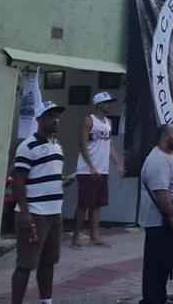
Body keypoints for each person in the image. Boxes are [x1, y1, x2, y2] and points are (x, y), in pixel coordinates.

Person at [10, 101, 67, 304]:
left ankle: (46, 300)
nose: (56, 120)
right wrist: (25, 213)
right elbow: (18, 181)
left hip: (54, 212)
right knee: (26, 264)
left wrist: (61, 183)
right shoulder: (27, 146)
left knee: (48, 262)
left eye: (57, 116)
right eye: (51, 116)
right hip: (35, 212)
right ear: (39, 120)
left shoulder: (57, 145)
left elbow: (47, 175)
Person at [139, 124, 173, 304]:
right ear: (164, 136)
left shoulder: (172, 156)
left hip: (169, 221)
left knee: (164, 264)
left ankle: (159, 297)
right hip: (160, 222)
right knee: (155, 265)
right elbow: (160, 192)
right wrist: (172, 215)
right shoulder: (158, 159)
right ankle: (152, 299)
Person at [71, 92, 122, 249]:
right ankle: (76, 237)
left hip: (103, 169)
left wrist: (117, 162)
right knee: (83, 204)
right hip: (87, 170)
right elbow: (82, 144)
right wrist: (91, 166)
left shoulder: (108, 122)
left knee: (97, 204)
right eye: (106, 102)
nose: (109, 105)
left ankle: (95, 236)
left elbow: (109, 144)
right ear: (99, 104)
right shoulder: (89, 120)